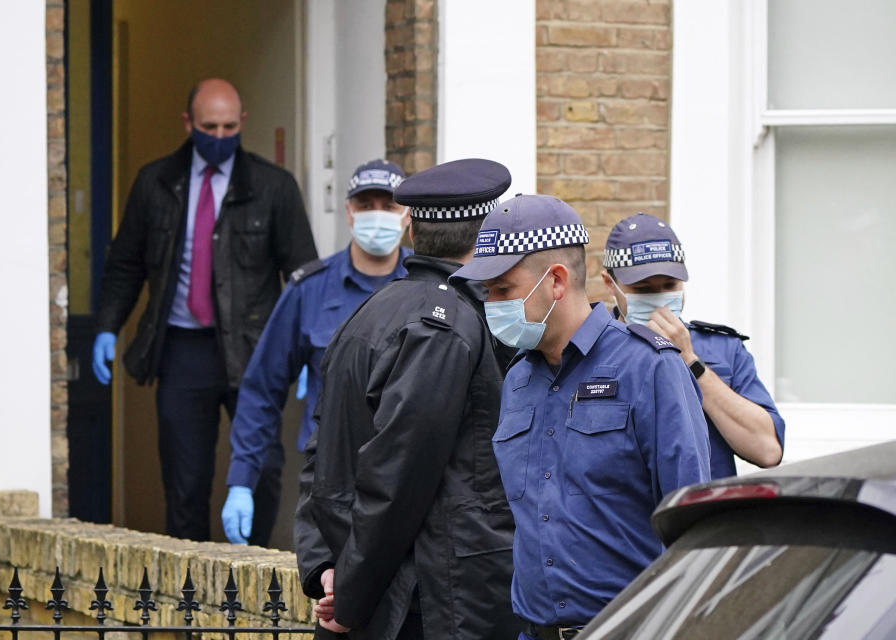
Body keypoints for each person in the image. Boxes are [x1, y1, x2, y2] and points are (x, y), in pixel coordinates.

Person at [450, 194, 711, 638]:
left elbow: (694, 527)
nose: (491, 303)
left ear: (555, 281)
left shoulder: (648, 366)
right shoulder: (516, 380)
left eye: (503, 290)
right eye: (488, 292)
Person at [294, 159, 520, 640]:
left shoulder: (372, 311)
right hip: (425, 599)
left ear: (412, 228)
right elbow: (398, 476)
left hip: (379, 586)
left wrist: (326, 568)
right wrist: (349, 592)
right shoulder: (449, 325)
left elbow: (320, 456)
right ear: (485, 237)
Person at [91, 78, 317, 541]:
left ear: (242, 123)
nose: (219, 136)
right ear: (188, 123)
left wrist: (312, 345)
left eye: (229, 126)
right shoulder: (155, 183)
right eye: (208, 126)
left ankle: (253, 577)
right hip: (181, 349)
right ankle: (191, 595)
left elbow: (303, 276)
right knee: (184, 478)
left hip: (254, 351)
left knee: (264, 469)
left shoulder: (273, 187)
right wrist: (108, 325)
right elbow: (125, 262)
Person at [221, 159, 412, 546]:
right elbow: (262, 388)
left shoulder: (429, 288)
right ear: (348, 212)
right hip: (329, 480)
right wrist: (242, 480)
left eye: (388, 205)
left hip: (408, 478)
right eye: (365, 204)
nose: (377, 215)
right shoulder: (309, 289)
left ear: (407, 216)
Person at [601, 212, 785, 478]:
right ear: (610, 284)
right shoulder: (589, 352)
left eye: (669, 285)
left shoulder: (722, 350)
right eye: (643, 289)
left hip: (704, 514)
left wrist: (690, 361)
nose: (660, 299)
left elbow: (767, 450)